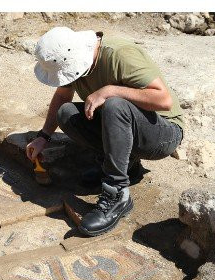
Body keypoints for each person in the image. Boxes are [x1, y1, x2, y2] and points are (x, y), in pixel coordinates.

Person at [24, 27, 184, 237]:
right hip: (128, 126)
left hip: (163, 132)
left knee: (114, 105)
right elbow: (63, 97)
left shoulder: (120, 54)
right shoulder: (73, 59)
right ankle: (126, 167)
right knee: (67, 113)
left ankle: (117, 194)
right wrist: (44, 137)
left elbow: (163, 100)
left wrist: (111, 90)